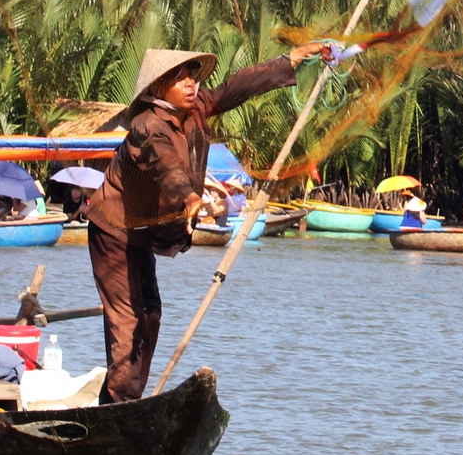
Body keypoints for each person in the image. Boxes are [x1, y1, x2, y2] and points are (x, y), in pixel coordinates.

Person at [88, 43, 327, 403]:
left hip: (138, 233)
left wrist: (290, 60)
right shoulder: (146, 126)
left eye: (192, 77)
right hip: (112, 231)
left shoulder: (194, 112)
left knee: (150, 314)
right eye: (178, 77)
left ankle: (125, 400)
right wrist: (189, 198)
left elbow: (234, 88)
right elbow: (165, 167)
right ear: (156, 89)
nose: (190, 84)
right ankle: (120, 405)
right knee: (128, 320)